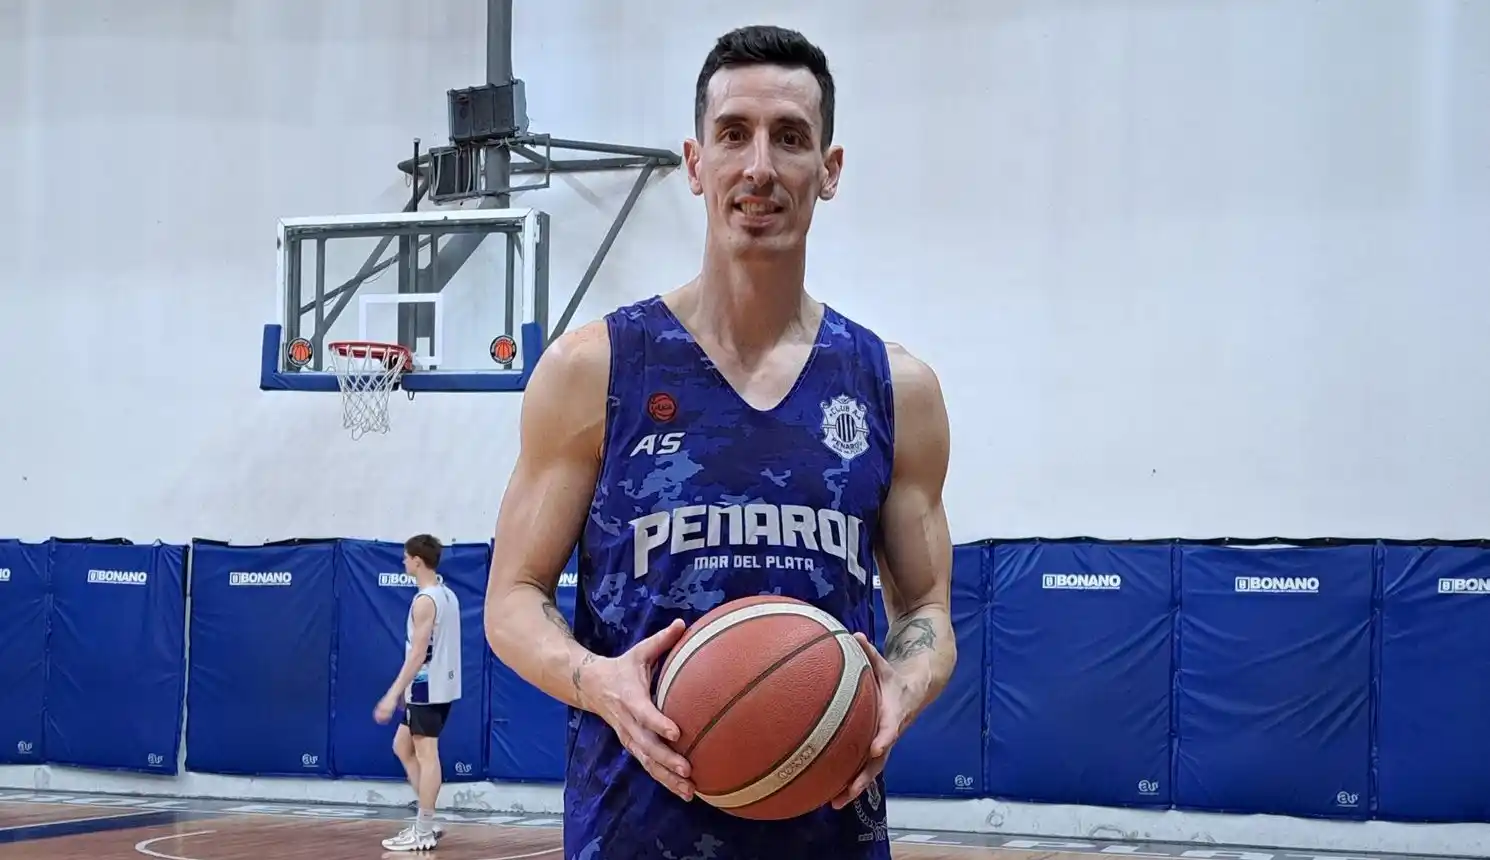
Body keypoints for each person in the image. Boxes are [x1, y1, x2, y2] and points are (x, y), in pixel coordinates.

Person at [484, 24, 956, 860]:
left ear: (830, 170)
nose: (760, 167)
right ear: (696, 163)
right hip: (633, 834)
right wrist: (599, 682)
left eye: (791, 138)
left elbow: (925, 611)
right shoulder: (594, 369)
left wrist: (900, 687)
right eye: (733, 134)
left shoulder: (894, 387)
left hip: (828, 833)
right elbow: (512, 600)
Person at [375, 534, 462, 852]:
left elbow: (418, 655)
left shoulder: (426, 601)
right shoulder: (448, 595)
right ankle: (429, 820)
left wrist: (392, 693)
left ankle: (423, 830)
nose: (403, 562)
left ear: (416, 561)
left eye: (405, 557)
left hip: (428, 688)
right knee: (402, 746)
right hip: (438, 686)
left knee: (427, 755)